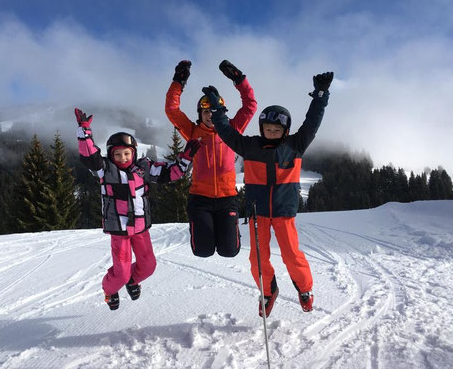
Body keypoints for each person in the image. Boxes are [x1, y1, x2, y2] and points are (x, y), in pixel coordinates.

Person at [205, 71, 334, 317]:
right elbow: (227, 133)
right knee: (257, 259)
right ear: (261, 129)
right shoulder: (250, 146)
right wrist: (218, 110)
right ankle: (268, 291)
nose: (271, 133)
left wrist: (320, 95)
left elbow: (312, 121)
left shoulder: (295, 145)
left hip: (284, 212)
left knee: (291, 255)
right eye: (267, 129)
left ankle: (304, 290)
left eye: (276, 130)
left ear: (285, 131)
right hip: (258, 212)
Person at [75, 108, 201, 310]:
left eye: (127, 153)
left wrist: (186, 158)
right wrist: (84, 132)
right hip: (120, 230)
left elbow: (171, 173)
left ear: (133, 153)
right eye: (118, 154)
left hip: (141, 228)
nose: (123, 158)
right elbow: (89, 156)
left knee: (148, 266)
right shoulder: (105, 170)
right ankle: (109, 289)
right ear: (111, 155)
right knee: (121, 272)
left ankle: (133, 282)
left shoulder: (143, 168)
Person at [165, 60, 257, 258]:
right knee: (203, 251)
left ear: (221, 112)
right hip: (200, 200)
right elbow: (172, 110)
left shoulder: (232, 130)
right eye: (205, 111)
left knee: (229, 251)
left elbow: (250, 106)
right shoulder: (192, 132)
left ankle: (228, 233)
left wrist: (239, 79)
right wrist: (178, 82)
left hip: (227, 199)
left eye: (213, 111)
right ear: (200, 114)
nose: (209, 115)